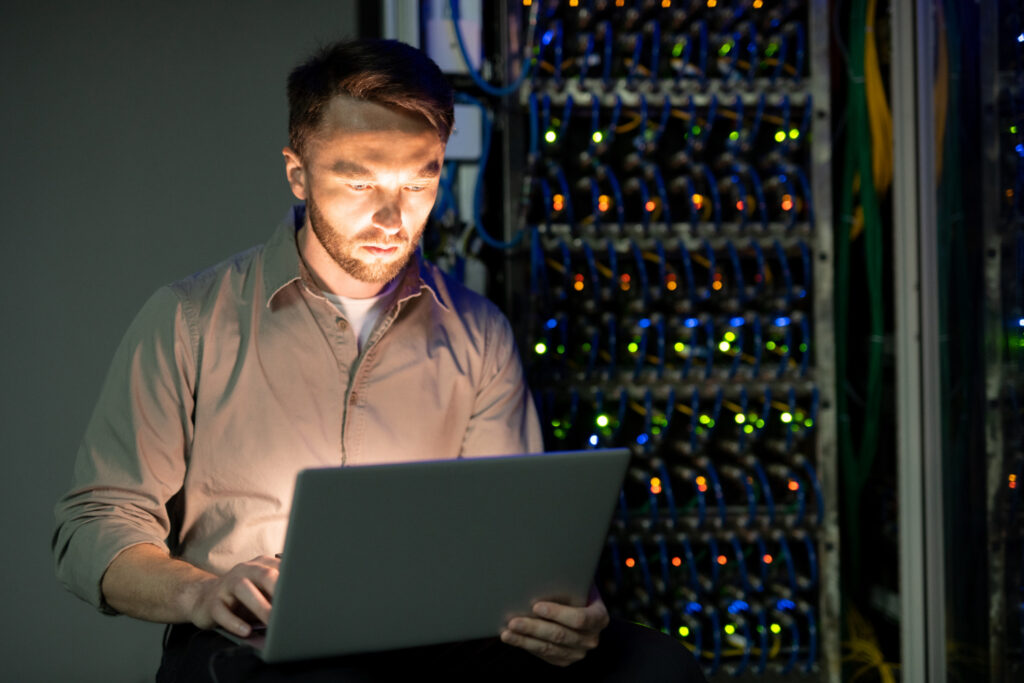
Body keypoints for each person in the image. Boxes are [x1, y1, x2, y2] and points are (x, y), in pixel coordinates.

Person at [53, 38, 705, 682]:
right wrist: (202, 591)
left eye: (421, 176)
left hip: (437, 639)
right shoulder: (187, 320)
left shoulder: (477, 332)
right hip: (250, 638)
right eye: (359, 177)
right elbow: (93, 525)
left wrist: (561, 606)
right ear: (297, 172)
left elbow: (512, 539)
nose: (394, 215)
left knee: (656, 665)